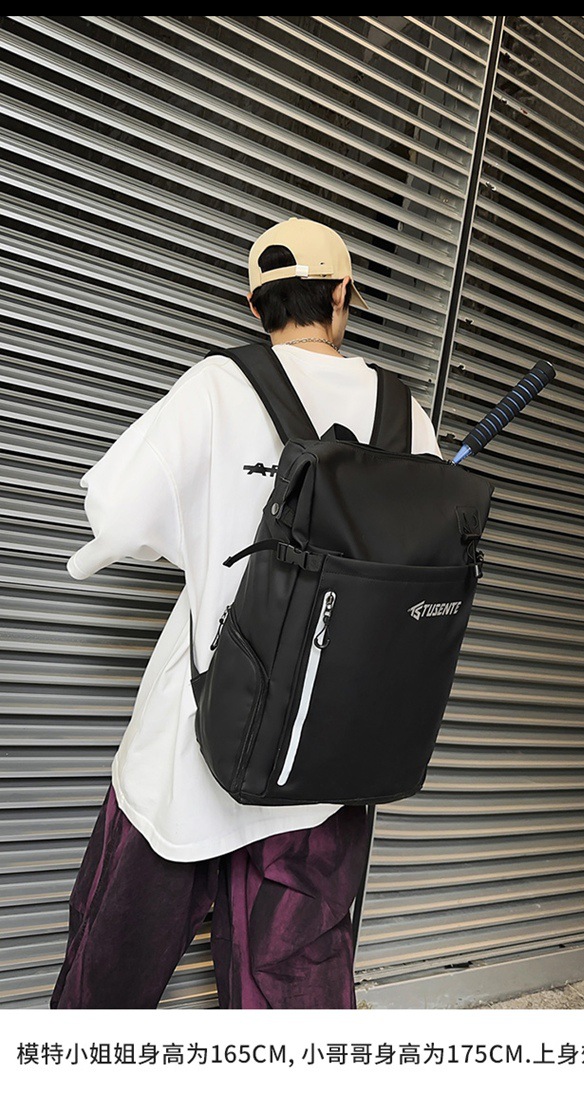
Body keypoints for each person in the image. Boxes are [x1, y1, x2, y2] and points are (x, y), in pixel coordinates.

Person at [50, 216, 443, 1009]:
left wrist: (203, 535)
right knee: (294, 996)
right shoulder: (405, 416)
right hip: (325, 757)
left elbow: (114, 512)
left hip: (195, 735)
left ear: (258, 304)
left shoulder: (220, 384)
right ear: (342, 294)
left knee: (108, 974)